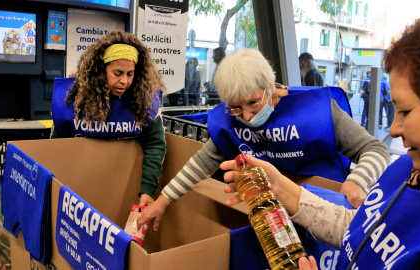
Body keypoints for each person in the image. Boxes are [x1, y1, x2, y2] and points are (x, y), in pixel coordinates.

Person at [222, 11, 420, 269]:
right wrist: (279, 187)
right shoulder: (409, 172)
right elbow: (357, 228)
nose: (393, 129)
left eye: (405, 111)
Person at [137, 49, 389, 230]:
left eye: (253, 102)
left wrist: (359, 180)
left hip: (329, 213)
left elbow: (375, 149)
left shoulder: (317, 111)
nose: (245, 115)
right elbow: (200, 163)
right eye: (235, 107)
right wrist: (163, 200)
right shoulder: (230, 119)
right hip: (276, 222)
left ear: (270, 87)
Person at [51, 30, 166, 209]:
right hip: (76, 191)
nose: (124, 81)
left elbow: (155, 145)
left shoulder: (145, 103)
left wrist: (147, 189)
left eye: (130, 74)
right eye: (117, 73)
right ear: (100, 71)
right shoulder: (72, 100)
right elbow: (56, 147)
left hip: (121, 190)